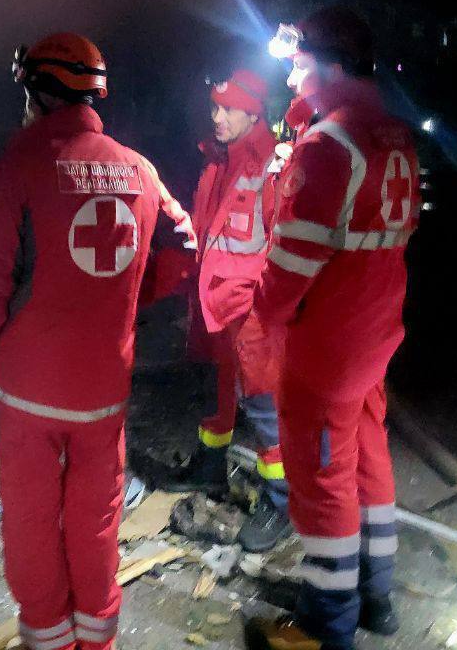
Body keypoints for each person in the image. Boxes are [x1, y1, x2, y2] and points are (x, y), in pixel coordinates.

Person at [0, 33, 167, 650]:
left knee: (30, 519)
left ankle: (47, 639)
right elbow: (177, 248)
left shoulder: (21, 165)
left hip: (29, 391)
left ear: (40, 93)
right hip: (104, 387)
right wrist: (118, 310)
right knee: (97, 520)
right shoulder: (140, 169)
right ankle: (96, 638)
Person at [240, 8, 419, 650]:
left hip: (326, 347)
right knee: (368, 460)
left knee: (321, 486)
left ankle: (329, 623)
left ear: (331, 63)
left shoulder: (328, 146)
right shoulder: (392, 132)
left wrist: (260, 325)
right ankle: (377, 598)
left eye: (299, 58)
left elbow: (289, 267)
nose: (290, 68)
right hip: (374, 335)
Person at [163, 68, 291, 553]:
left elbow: (284, 247)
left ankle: (282, 501)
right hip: (217, 302)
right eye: (214, 106)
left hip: (253, 311)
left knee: (264, 408)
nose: (216, 116)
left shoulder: (273, 167)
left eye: (228, 108)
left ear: (253, 111)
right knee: (215, 392)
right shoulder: (219, 159)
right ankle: (211, 465)